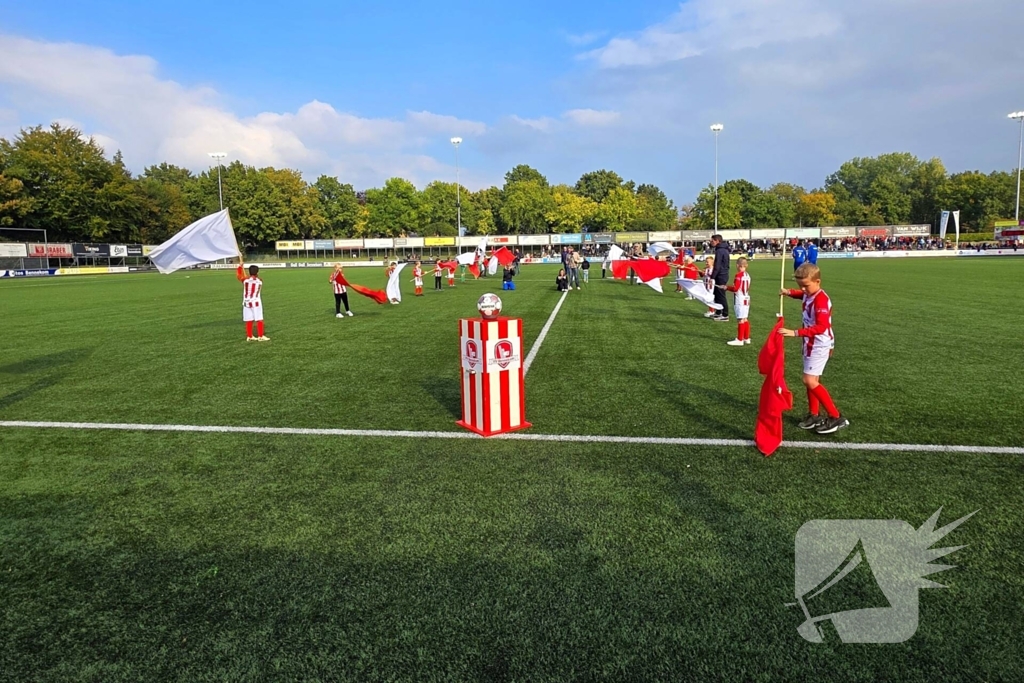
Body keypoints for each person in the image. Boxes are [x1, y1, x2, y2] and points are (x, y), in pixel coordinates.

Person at [779, 263, 849, 435]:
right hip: (810, 342)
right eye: (800, 285)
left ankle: (836, 416)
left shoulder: (821, 300)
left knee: (809, 380)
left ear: (818, 281)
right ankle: (814, 414)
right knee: (811, 380)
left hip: (819, 342)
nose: (803, 289)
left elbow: (821, 327)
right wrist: (789, 292)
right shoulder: (808, 293)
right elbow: (802, 295)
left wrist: (795, 332)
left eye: (806, 285)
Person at [722, 257, 751, 346]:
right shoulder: (747, 275)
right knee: (745, 318)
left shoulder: (738, 275)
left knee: (740, 319)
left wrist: (727, 287)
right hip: (747, 298)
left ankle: (740, 339)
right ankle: (746, 338)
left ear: (738, 265)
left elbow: (735, 288)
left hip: (740, 299)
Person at [242, 264, 268, 341]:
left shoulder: (245, 280)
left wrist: (240, 267)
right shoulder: (259, 281)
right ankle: (260, 336)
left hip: (246, 303)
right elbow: (256, 279)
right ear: (257, 272)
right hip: (256, 302)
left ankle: (249, 336)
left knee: (249, 319)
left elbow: (240, 277)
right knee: (259, 319)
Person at [710, 235, 731, 321]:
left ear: (717, 241)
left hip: (721, 275)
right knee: (717, 294)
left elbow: (717, 265)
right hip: (723, 274)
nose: (711, 242)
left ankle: (725, 314)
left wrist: (712, 277)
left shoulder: (720, 251)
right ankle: (718, 312)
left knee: (721, 295)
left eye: (712, 241)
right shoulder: (724, 249)